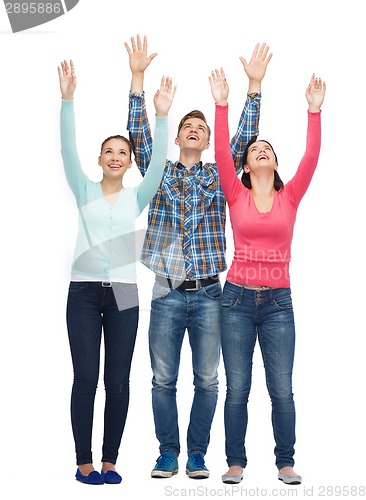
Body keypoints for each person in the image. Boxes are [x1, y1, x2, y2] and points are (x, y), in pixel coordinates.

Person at [125, 34, 272, 479]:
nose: (194, 128)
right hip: (166, 292)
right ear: (179, 137)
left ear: (208, 141)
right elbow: (138, 136)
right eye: (188, 125)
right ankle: (167, 452)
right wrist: (137, 78)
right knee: (162, 381)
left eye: (201, 126)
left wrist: (254, 88)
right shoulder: (160, 172)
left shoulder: (219, 174)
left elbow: (243, 138)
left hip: (211, 295)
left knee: (208, 381)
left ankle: (196, 453)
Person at [58, 59, 176, 485]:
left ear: (129, 164)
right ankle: (83, 461)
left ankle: (111, 461)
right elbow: (67, 150)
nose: (115, 156)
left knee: (119, 381)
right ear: (99, 159)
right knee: (86, 377)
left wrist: (162, 117)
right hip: (84, 292)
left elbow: (159, 166)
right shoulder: (84, 188)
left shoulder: (136, 197)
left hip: (125, 292)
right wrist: (67, 101)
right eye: (108, 151)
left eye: (122, 153)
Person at [210, 67, 326, 484]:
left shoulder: (290, 195)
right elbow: (222, 152)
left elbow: (311, 158)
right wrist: (222, 104)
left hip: (278, 303)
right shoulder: (235, 193)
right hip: (236, 300)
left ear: (276, 163)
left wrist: (313, 112)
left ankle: (285, 462)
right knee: (237, 388)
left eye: (268, 148)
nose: (261, 149)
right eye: (254, 148)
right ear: (245, 164)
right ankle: (236, 462)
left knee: (282, 390)